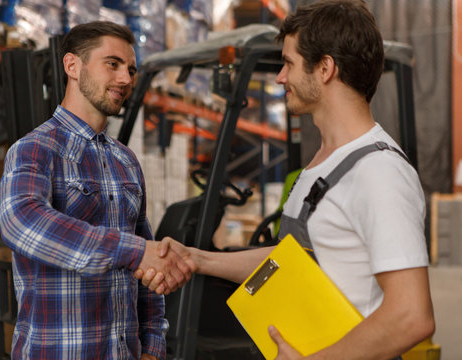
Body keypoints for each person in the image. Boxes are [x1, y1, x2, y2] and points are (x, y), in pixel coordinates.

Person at [135, 1, 435, 359]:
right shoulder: (322, 166)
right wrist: (198, 259)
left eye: (289, 63)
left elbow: (411, 317)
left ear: (325, 68)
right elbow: (293, 258)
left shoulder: (379, 173)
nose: (280, 77)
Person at [0, 21, 196, 360]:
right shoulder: (35, 149)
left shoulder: (126, 161)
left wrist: (153, 345)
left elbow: (146, 264)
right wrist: (132, 251)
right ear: (72, 66)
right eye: (113, 64)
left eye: (131, 70)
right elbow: (21, 220)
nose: (126, 80)